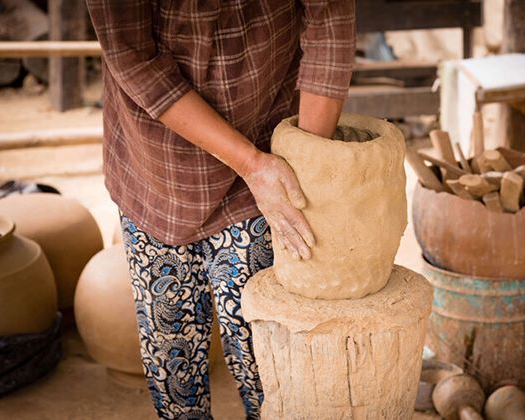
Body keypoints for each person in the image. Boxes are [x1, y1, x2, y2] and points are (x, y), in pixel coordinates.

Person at [86, 1, 355, 419]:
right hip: (158, 162)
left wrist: (306, 159)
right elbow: (132, 57)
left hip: (265, 136)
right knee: (172, 358)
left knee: (266, 358)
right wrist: (249, 163)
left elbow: (330, 21)